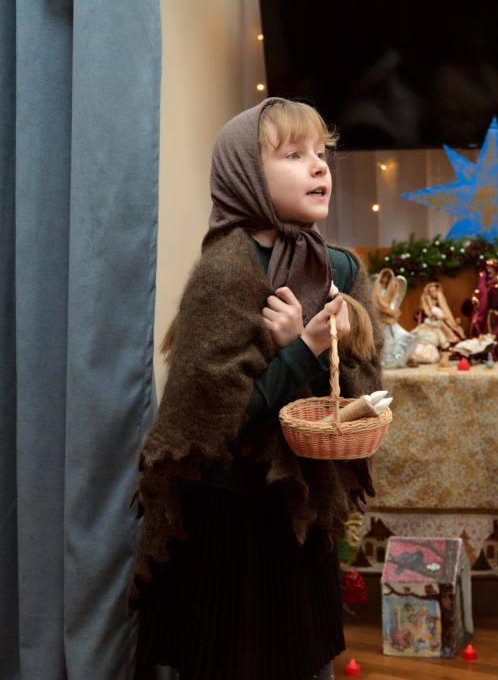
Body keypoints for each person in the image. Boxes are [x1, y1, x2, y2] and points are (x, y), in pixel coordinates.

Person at [131, 98, 384, 680]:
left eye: (321, 153)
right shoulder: (225, 272)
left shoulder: (342, 271)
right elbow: (215, 421)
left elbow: (361, 400)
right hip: (230, 516)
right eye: (293, 155)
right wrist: (302, 350)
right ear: (245, 174)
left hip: (300, 507)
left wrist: (311, 349)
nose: (318, 166)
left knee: (301, 660)